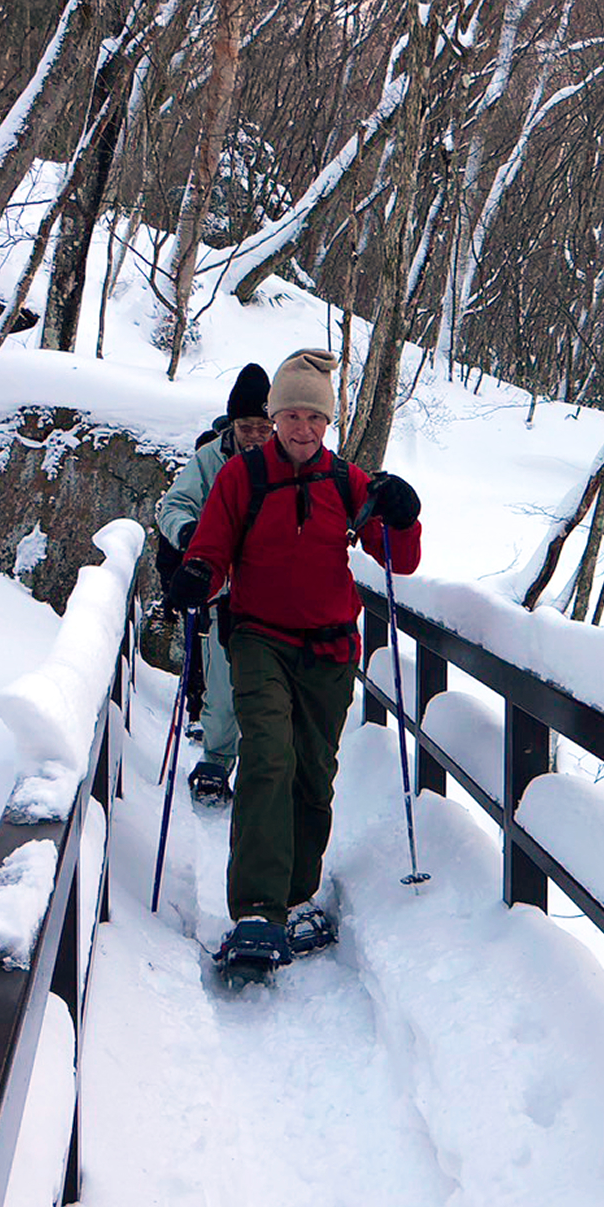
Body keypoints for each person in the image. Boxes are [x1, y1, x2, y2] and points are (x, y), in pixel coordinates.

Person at [167, 347, 423, 972]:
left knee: (313, 773)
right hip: (258, 640)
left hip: (331, 650)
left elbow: (399, 559)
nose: (303, 428)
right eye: (292, 416)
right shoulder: (241, 475)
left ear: (327, 423)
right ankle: (257, 910)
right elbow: (213, 546)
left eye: (315, 417)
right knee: (268, 759)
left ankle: (296, 897)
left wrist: (402, 513)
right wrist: (199, 573)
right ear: (274, 417)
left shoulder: (347, 482)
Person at [154, 363, 272, 805]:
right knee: (222, 687)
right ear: (233, 424)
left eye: (263, 426)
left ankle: (264, 772)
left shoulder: (289, 456)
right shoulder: (211, 458)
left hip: (277, 592)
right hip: (224, 591)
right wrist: (188, 535)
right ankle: (218, 760)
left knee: (269, 692)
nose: (255, 436)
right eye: (247, 426)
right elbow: (174, 504)